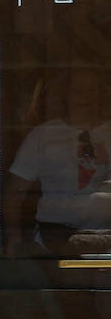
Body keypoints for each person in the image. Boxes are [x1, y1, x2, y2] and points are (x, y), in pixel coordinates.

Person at [6, 68, 111, 256]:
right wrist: (14, 242)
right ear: (66, 95)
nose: (84, 97)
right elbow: (14, 193)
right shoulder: (43, 135)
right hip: (53, 242)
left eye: (91, 90)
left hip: (106, 241)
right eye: (77, 91)